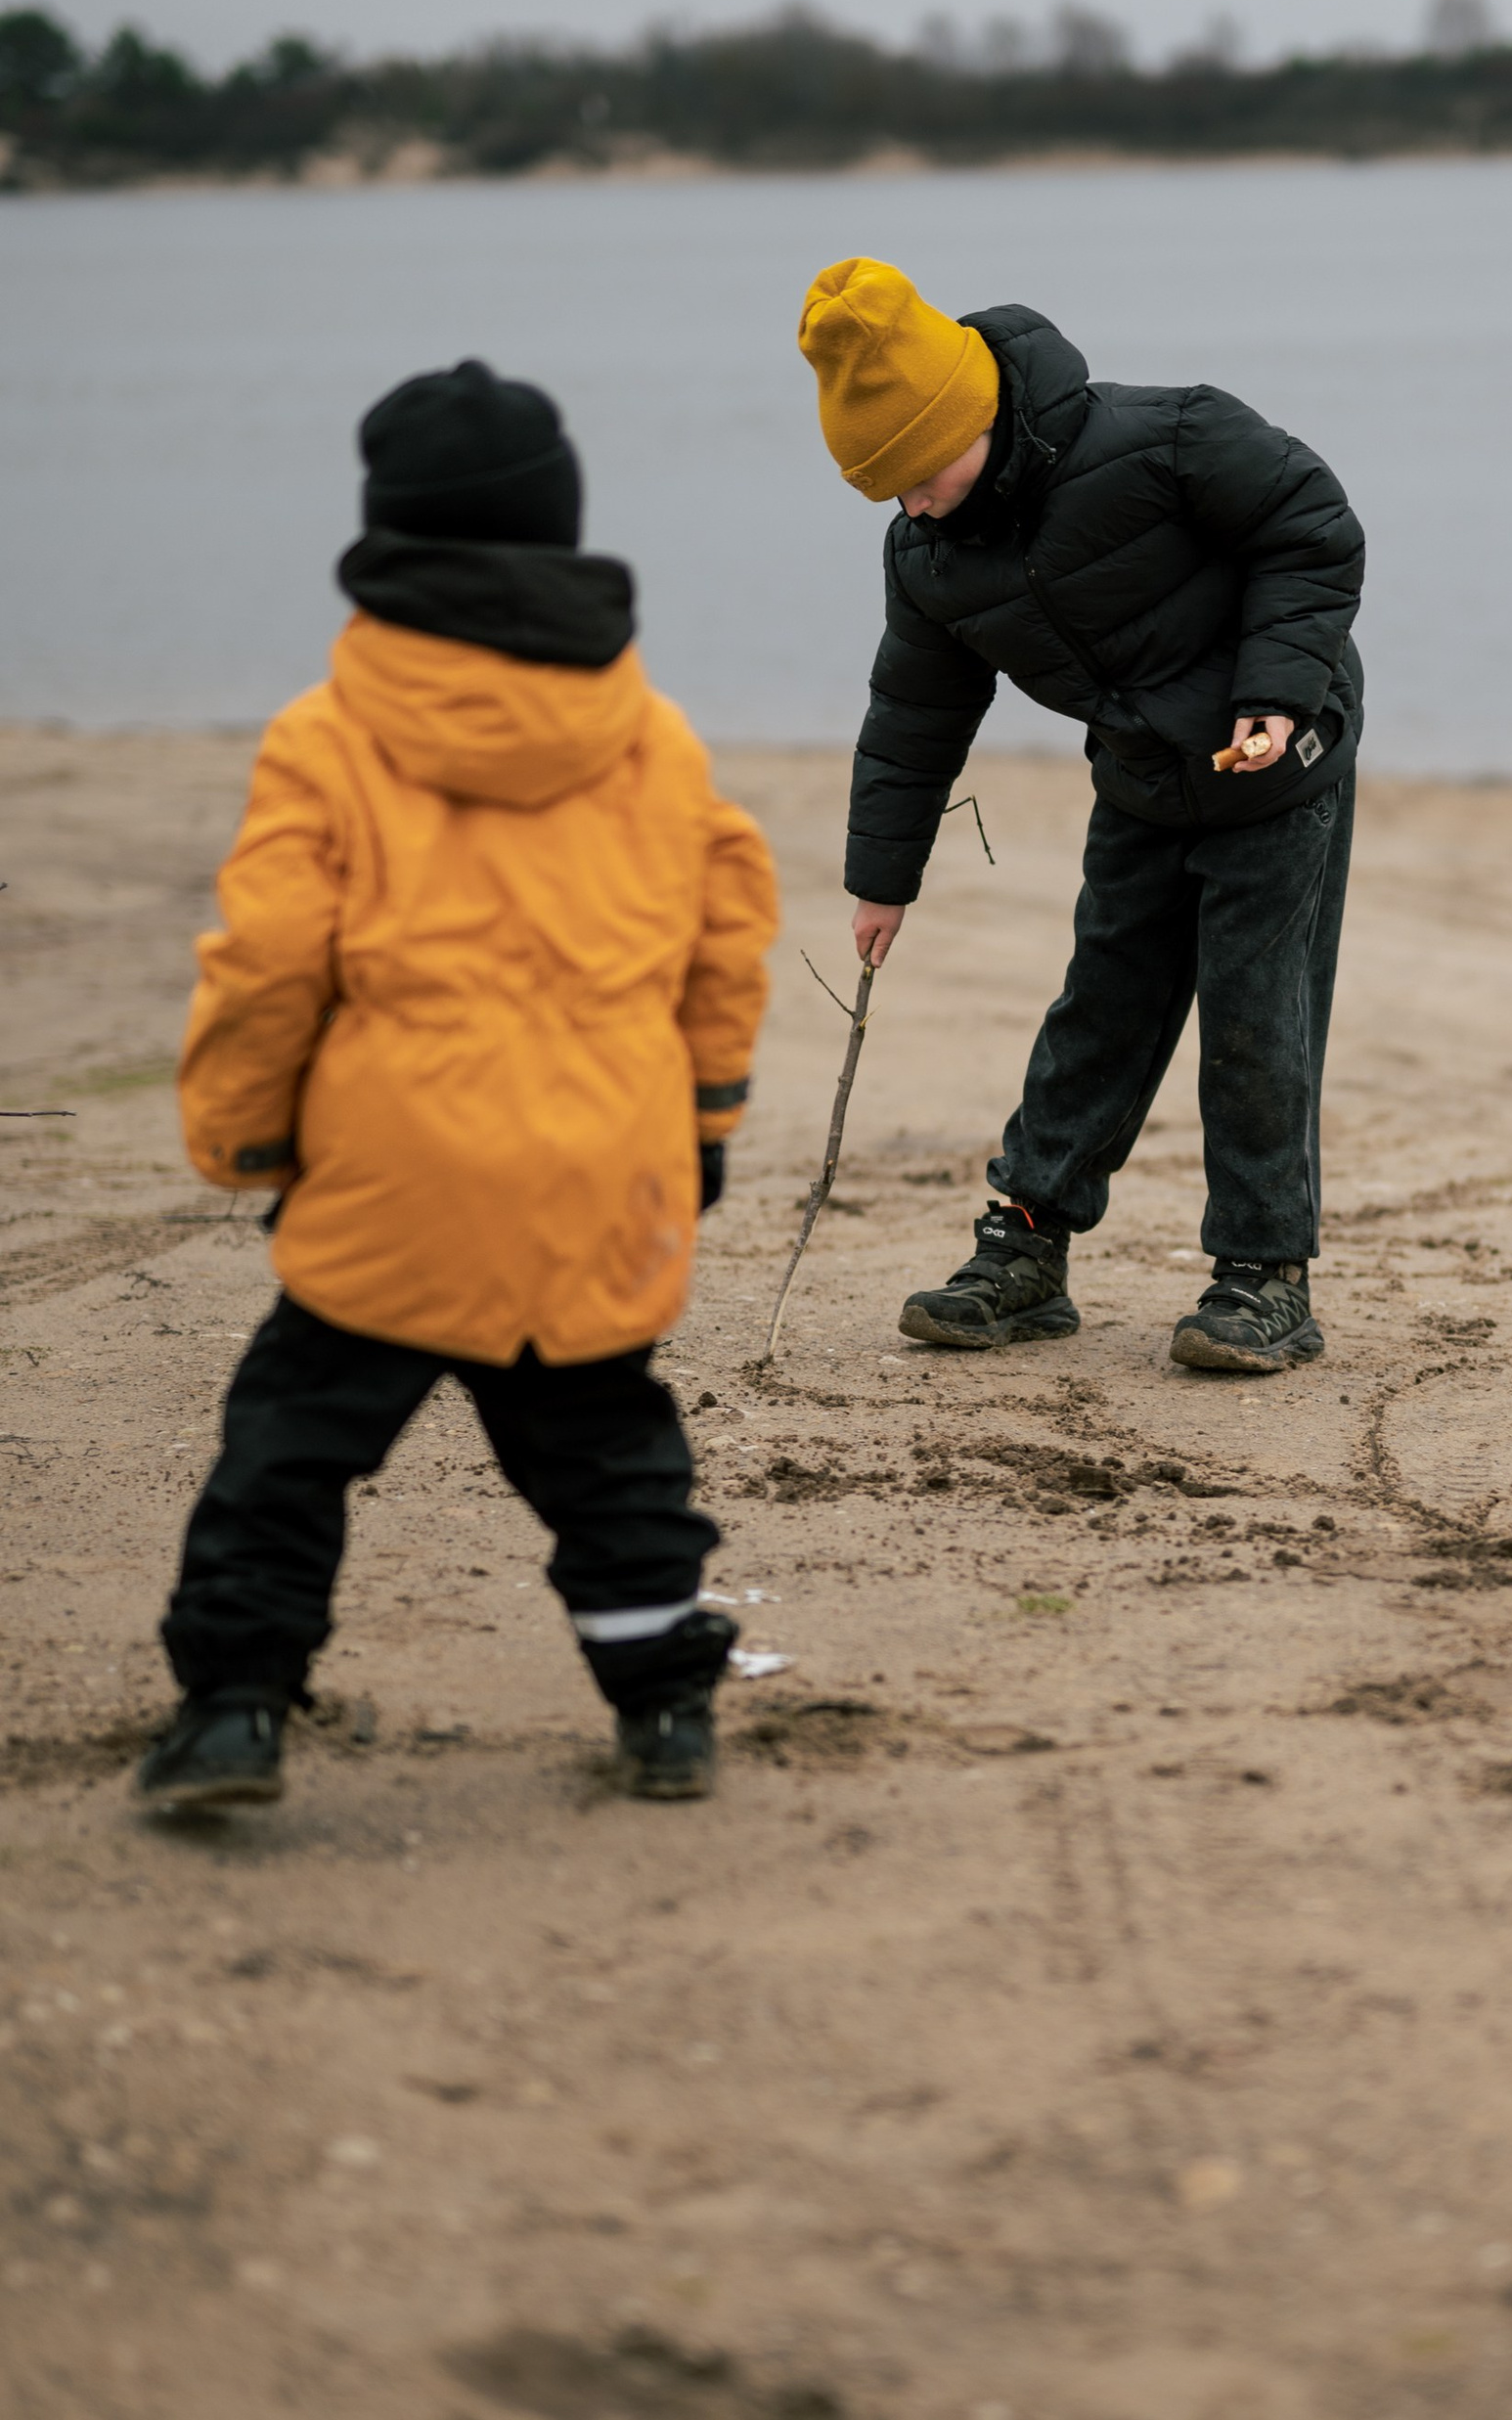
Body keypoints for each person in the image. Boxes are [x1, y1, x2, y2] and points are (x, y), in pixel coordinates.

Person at [137, 361, 778, 1818]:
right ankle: (665, 1700)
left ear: (391, 538)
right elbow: (725, 931)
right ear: (559, 531)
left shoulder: (330, 734)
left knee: (289, 1449)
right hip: (599, 1171)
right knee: (608, 1449)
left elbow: (270, 962)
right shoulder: (651, 735)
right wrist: (706, 1119)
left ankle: (234, 1709)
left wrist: (246, 1139)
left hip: (396, 1179)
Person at [799, 257, 1363, 1373]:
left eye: (915, 472)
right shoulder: (928, 553)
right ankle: (1025, 1245)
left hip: (1277, 754)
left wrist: (1271, 692)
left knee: (1256, 1012)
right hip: (1144, 774)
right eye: (885, 490)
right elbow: (913, 711)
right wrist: (884, 877)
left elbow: (1315, 527)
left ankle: (1264, 1276)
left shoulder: (1172, 437)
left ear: (968, 419)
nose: (907, 502)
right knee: (1101, 1000)